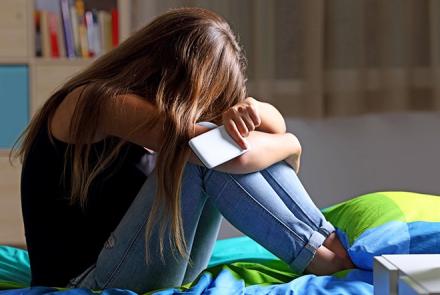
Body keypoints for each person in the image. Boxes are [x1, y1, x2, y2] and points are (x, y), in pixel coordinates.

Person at [14, 7, 354, 293]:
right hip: (87, 281)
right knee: (204, 154)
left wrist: (249, 108)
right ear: (175, 72)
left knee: (212, 145)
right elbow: (230, 156)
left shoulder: (159, 111)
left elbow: (271, 126)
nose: (202, 107)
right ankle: (319, 254)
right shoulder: (100, 103)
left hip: (147, 262)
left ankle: (323, 240)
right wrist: (292, 145)